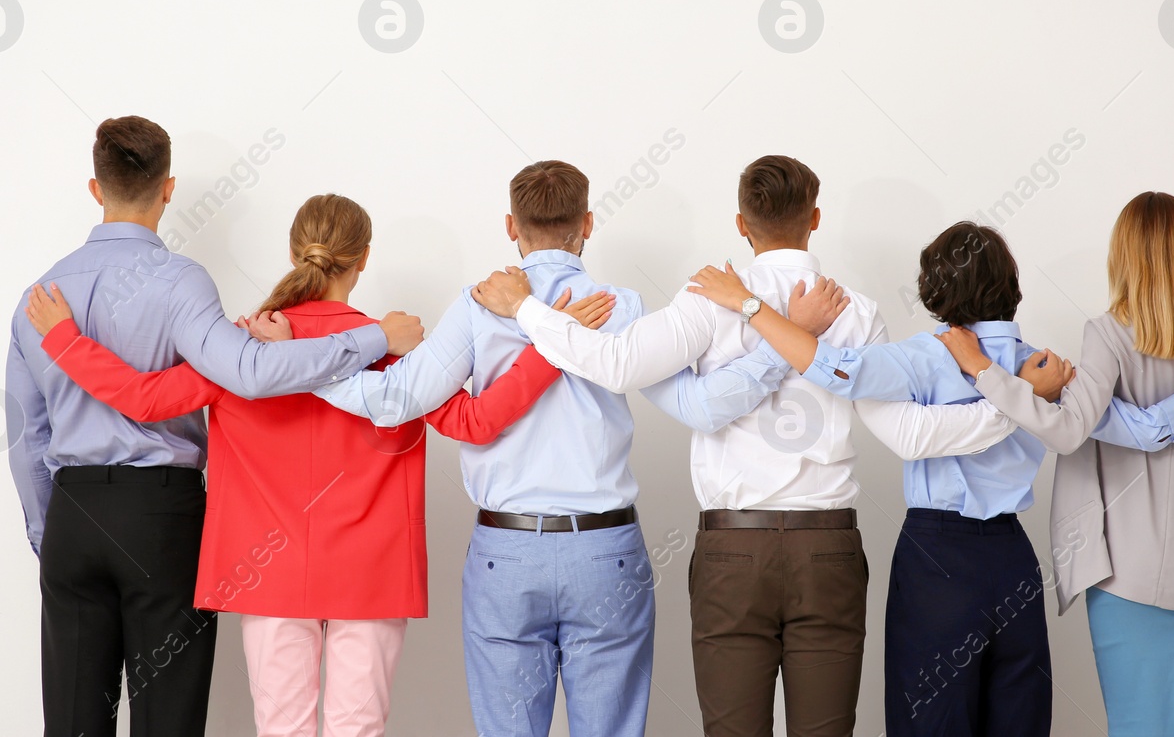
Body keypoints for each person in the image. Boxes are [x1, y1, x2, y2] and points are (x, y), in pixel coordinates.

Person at [471, 156, 1030, 737]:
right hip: (829, 549)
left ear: (741, 223)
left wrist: (525, 308)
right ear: (815, 218)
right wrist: (1013, 405)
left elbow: (613, 364)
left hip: (731, 552)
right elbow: (910, 434)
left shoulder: (707, 297)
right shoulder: (856, 312)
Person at [23, 193, 613, 737]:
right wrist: (551, 347)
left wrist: (66, 339)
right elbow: (476, 422)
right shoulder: (397, 350)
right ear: (363, 259)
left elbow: (143, 400)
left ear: (293, 251)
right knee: (358, 728)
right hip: (370, 572)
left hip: (266, 571)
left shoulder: (239, 347)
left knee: (282, 729)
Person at [256, 161, 795, 737]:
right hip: (605, 553)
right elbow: (702, 408)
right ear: (587, 224)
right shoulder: (621, 307)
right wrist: (787, 344)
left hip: (505, 554)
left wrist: (297, 363)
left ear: (511, 226)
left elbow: (394, 399)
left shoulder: (477, 304)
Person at [686, 219, 1174, 736]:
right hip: (1013, 564)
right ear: (1013, 287)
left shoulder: (927, 357)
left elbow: (834, 370)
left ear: (937, 292)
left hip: (936, 564)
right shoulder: (1047, 369)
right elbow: (1152, 430)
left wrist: (750, 306)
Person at [5, 118, 423, 737]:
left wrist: (51, 532)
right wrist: (375, 337)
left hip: (71, 517)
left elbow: (26, 439)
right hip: (160, 518)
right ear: (168, 188)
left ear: (96, 188)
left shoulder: (38, 298)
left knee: (70, 722)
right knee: (167, 720)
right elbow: (251, 374)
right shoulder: (181, 282)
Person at [939, 192, 1174, 736]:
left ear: (1123, 255)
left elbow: (1067, 430)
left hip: (1125, 578)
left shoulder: (1108, 333)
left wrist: (984, 372)